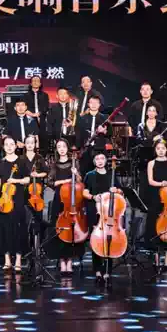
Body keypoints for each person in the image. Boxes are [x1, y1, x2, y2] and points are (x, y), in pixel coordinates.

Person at [83, 152, 123, 284]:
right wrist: (93, 197)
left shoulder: (112, 174)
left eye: (102, 158)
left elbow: (121, 191)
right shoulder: (89, 175)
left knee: (109, 240)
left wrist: (117, 190)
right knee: (96, 239)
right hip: (94, 210)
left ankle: (107, 271)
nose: (100, 161)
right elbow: (85, 192)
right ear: (94, 161)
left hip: (110, 213)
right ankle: (97, 271)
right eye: (97, 159)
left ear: (106, 161)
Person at [44, 139, 83, 275]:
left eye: (64, 146)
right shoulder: (54, 165)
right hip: (59, 199)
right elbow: (49, 182)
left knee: (72, 230)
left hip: (72, 200)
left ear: (67, 148)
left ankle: (70, 260)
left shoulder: (74, 162)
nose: (61, 149)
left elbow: (80, 181)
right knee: (60, 230)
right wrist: (66, 180)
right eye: (59, 147)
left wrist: (76, 173)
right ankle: (62, 261)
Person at [0, 136, 31, 273]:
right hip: (4, 199)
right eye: (6, 144)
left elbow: (27, 179)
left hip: (18, 199)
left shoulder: (22, 161)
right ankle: (7, 260)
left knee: (18, 229)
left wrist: (16, 181)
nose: (9, 147)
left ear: (15, 146)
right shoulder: (0, 163)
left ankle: (18, 260)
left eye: (11, 144)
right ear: (3, 147)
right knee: (5, 229)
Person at [145, 140, 167, 272]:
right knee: (154, 226)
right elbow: (150, 181)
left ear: (166, 149)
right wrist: (162, 184)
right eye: (158, 148)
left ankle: (166, 260)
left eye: (163, 148)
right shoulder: (151, 163)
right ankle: (156, 260)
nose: (161, 150)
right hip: (155, 197)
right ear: (155, 150)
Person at [76, 95, 108, 171]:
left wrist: (104, 131)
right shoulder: (82, 118)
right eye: (91, 102)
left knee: (100, 173)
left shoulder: (105, 118)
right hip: (85, 150)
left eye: (96, 103)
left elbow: (110, 134)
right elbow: (78, 135)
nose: (94, 105)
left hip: (100, 150)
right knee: (84, 172)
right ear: (88, 104)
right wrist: (78, 149)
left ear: (99, 104)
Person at [22, 135, 49, 228]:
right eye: (27, 143)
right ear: (24, 144)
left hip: (37, 189)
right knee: (25, 214)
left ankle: (38, 233)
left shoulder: (39, 157)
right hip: (24, 189)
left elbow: (46, 172)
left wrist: (37, 175)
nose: (30, 145)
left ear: (35, 144)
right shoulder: (21, 158)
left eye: (32, 143)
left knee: (38, 214)